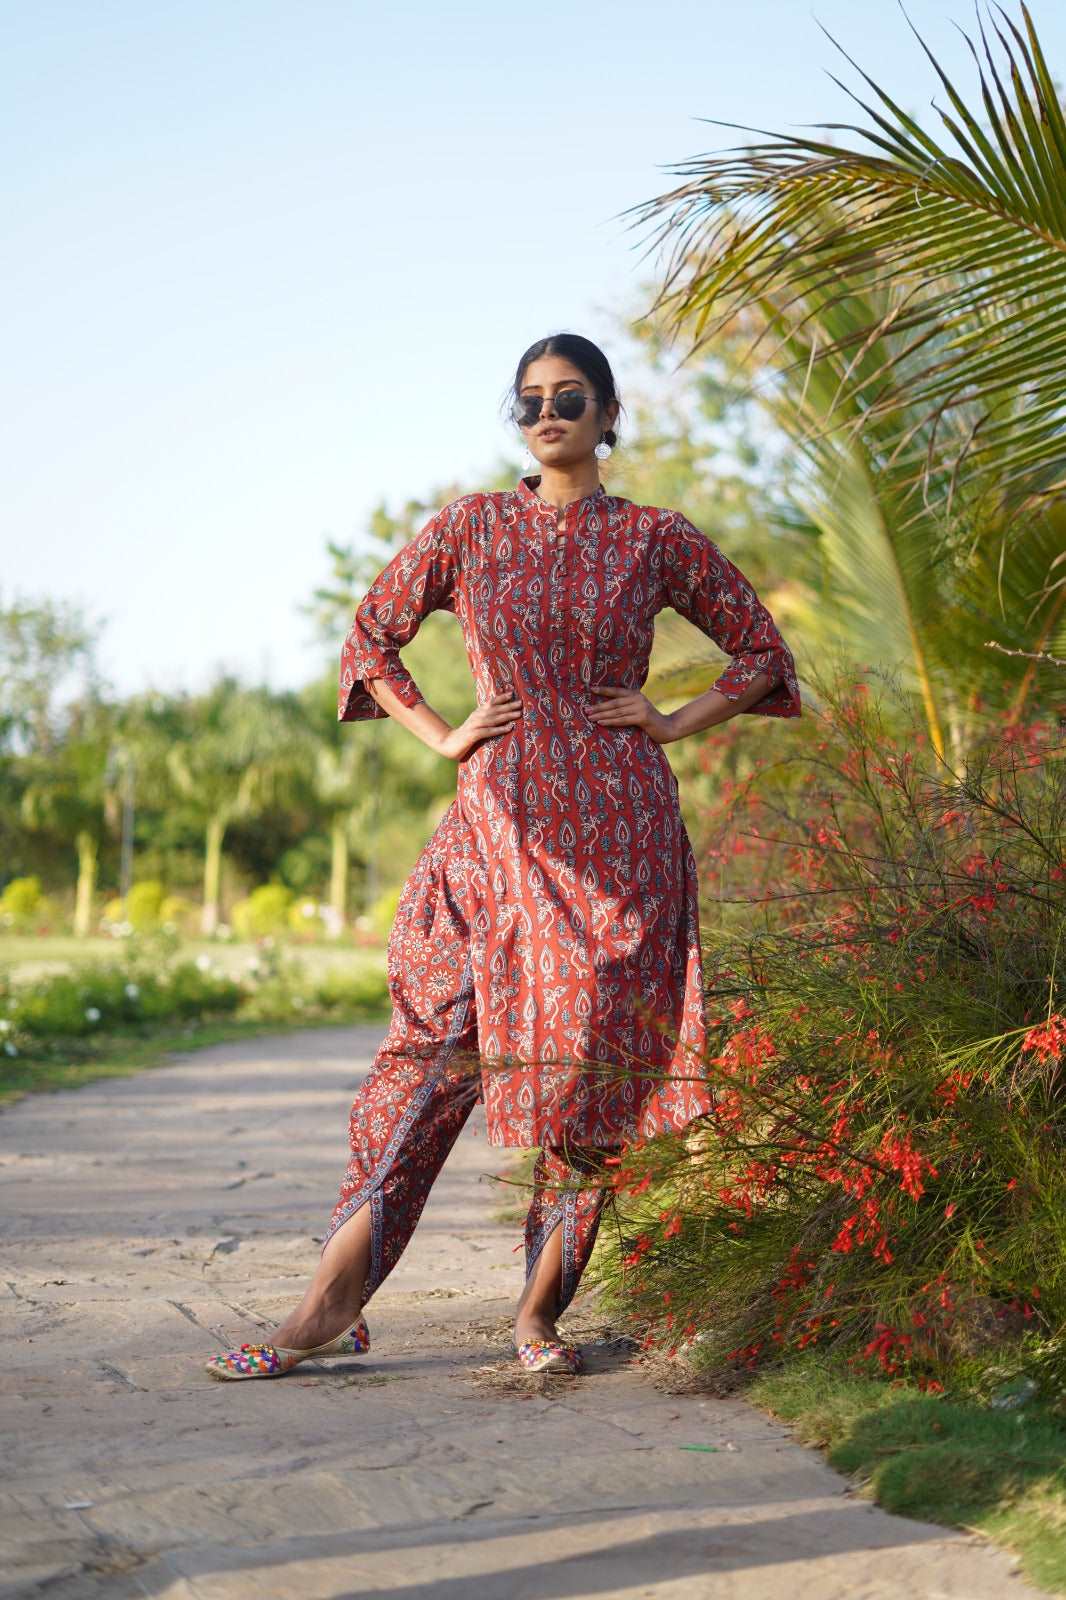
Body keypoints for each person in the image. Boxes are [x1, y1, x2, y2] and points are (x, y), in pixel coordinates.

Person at [206, 332, 802, 1381]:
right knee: (424, 1067)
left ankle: (536, 1316)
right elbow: (370, 639)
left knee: (593, 1084)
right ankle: (327, 1306)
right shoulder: (471, 528)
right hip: (490, 840)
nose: (547, 412)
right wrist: (443, 732)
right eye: (528, 399)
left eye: (571, 396)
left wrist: (671, 721)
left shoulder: (657, 539)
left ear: (610, 414)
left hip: (620, 851)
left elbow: (759, 652)